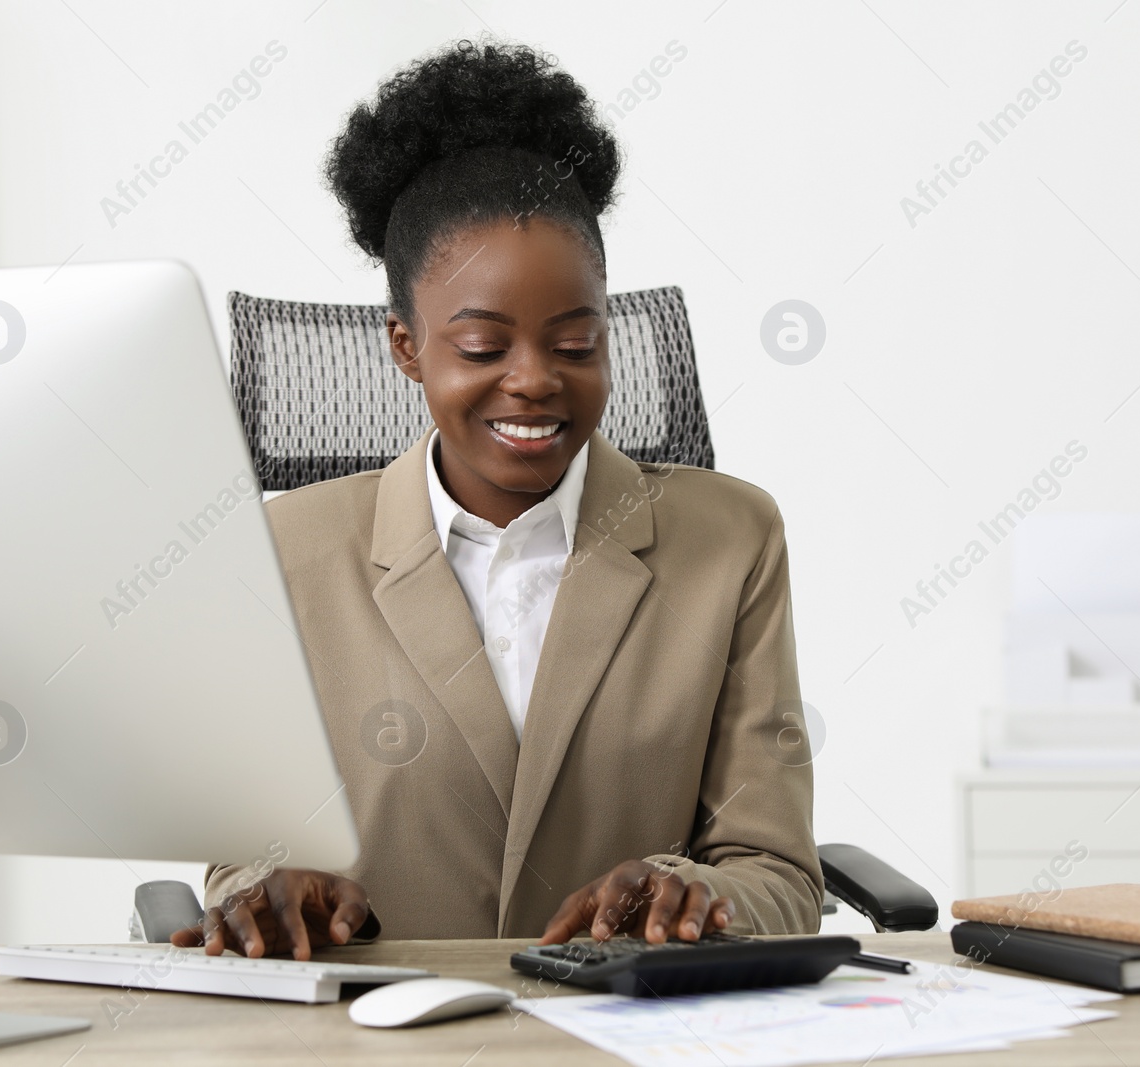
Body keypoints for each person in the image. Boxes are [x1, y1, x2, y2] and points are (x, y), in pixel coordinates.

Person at [171, 38, 821, 960]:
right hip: (366, 1035)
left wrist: (698, 895)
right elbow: (241, 858)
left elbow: (780, 874)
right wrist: (262, 895)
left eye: (576, 343)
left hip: (632, 1033)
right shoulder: (283, 551)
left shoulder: (732, 538)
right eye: (482, 348)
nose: (534, 381)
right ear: (405, 347)